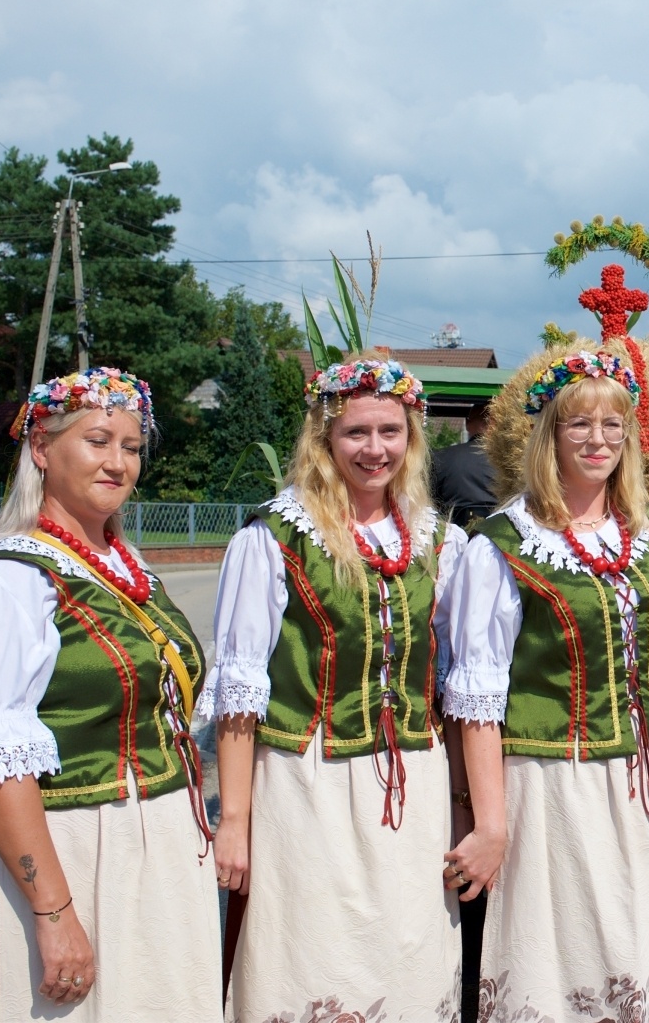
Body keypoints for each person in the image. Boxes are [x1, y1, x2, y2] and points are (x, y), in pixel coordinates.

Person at [0, 368, 222, 1022]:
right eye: (98, 440)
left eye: (131, 446)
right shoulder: (10, 582)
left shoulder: (126, 569)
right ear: (43, 451)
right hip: (71, 845)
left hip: (154, 844)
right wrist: (54, 913)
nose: (117, 462)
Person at [443, 350, 649, 1020]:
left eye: (613, 423)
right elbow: (477, 704)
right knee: (576, 961)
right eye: (579, 423)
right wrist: (489, 823)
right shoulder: (499, 545)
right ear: (548, 433)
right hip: (557, 787)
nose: (598, 439)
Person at [201, 355, 466, 1022]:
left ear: (411, 438)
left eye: (390, 431)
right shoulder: (273, 538)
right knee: (311, 953)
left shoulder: (439, 541)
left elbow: (461, 690)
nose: (374, 449)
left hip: (415, 782)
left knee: (409, 954)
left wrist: (462, 800)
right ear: (324, 439)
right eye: (355, 433)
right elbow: (240, 693)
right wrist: (235, 820)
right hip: (306, 783)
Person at [431, 398, 497, 528]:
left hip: (453, 535)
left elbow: (429, 501)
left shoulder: (441, 457)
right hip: (499, 537)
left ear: (467, 423)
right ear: (496, 425)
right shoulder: (511, 462)